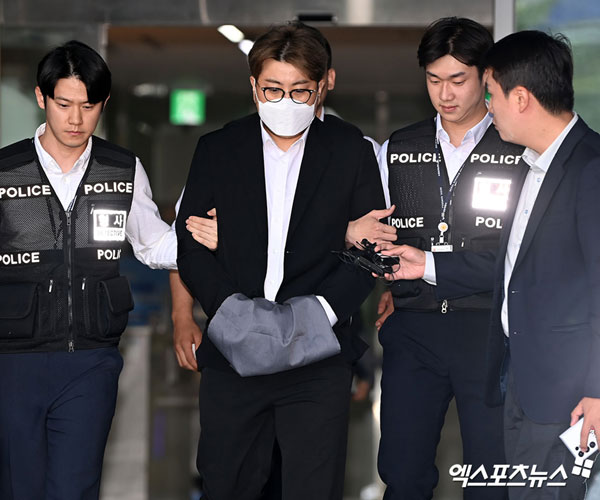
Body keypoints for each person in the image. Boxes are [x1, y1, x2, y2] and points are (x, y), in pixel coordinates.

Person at [382, 30, 600, 500]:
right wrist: (422, 267)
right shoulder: (538, 165)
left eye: (488, 93)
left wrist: (597, 389)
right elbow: (514, 268)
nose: (486, 106)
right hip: (508, 367)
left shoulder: (583, 167)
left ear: (518, 97)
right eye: (434, 79)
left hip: (548, 378)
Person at [176, 22, 385, 500]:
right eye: (272, 89)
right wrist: (228, 311)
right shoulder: (218, 149)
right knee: (227, 484)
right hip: (232, 354)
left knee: (313, 487)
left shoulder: (351, 151)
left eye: (299, 91)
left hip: (318, 358)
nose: (285, 102)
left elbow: (371, 249)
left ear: (322, 87)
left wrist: (320, 313)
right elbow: (189, 244)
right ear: (254, 86)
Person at [0, 41, 177, 500]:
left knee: (74, 489)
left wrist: (206, 239)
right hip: (13, 361)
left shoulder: (122, 169)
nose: (76, 119)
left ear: (103, 103)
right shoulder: (5, 171)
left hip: (91, 361)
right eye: (63, 104)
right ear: (41, 98)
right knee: (19, 488)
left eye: (88, 106)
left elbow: (155, 245)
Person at [374, 17, 525, 500]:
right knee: (402, 473)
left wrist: (432, 265)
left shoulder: (519, 147)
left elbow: (526, 254)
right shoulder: (398, 148)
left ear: (486, 76)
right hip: (414, 327)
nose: (445, 93)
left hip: (490, 330)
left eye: (458, 79)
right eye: (434, 79)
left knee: (491, 476)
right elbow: (375, 230)